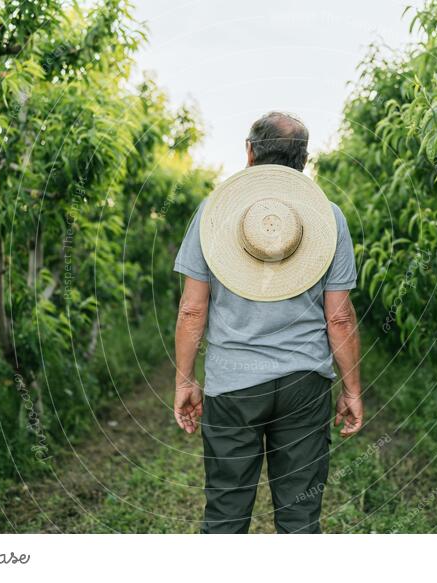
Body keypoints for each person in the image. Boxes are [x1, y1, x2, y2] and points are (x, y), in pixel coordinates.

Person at [172, 111, 363, 534]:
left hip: (233, 385)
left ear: (249, 152)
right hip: (305, 383)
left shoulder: (214, 214)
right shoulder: (329, 219)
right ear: (304, 162)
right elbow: (339, 316)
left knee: (225, 515)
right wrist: (351, 389)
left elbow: (191, 310)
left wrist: (185, 381)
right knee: (300, 518)